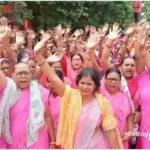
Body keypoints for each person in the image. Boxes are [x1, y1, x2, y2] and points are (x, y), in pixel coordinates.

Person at [34, 36, 123, 149]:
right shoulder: (70, 95)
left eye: (89, 84)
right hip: (74, 145)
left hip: (98, 145)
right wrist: (38, 55)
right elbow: (53, 76)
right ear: (78, 83)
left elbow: (110, 131)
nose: (85, 87)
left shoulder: (102, 102)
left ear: (95, 86)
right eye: (82, 83)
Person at [0, 62, 52, 149]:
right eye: (19, 73)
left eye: (26, 73)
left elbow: (47, 116)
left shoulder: (41, 92)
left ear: (31, 75)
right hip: (13, 143)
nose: (23, 76)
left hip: (38, 141)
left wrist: (53, 141)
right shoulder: (8, 91)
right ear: (13, 75)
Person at [101, 68, 132, 148]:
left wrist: (130, 132)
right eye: (110, 79)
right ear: (105, 79)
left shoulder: (125, 97)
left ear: (119, 82)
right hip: (102, 140)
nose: (113, 82)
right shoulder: (99, 95)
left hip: (121, 140)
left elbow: (129, 115)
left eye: (116, 80)